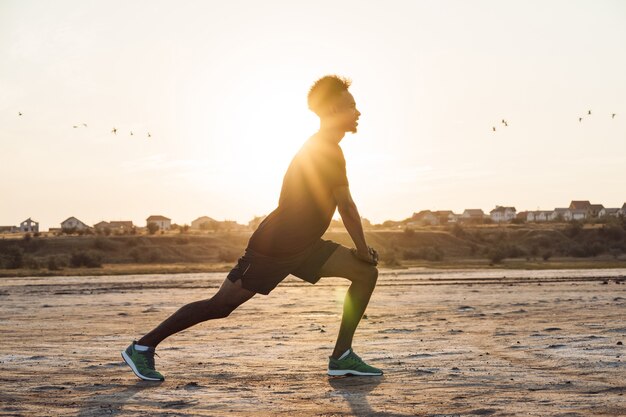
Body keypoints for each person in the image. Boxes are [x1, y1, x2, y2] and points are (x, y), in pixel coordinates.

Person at [122, 75, 382, 381]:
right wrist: (363, 250)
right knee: (220, 306)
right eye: (351, 105)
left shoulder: (326, 149)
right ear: (334, 109)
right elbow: (347, 207)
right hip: (275, 248)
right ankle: (142, 347)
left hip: (305, 245)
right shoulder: (324, 149)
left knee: (366, 273)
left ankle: (341, 357)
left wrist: (362, 256)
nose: (358, 111)